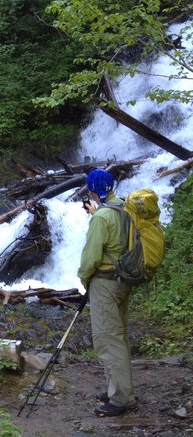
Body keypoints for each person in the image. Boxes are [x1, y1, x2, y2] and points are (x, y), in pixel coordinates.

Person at [77, 168, 136, 417]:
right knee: (118, 335)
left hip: (104, 283)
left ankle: (122, 398)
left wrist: (83, 277)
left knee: (108, 340)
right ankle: (116, 388)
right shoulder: (123, 208)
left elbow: (92, 256)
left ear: (93, 190)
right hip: (123, 280)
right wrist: (96, 212)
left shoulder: (101, 218)